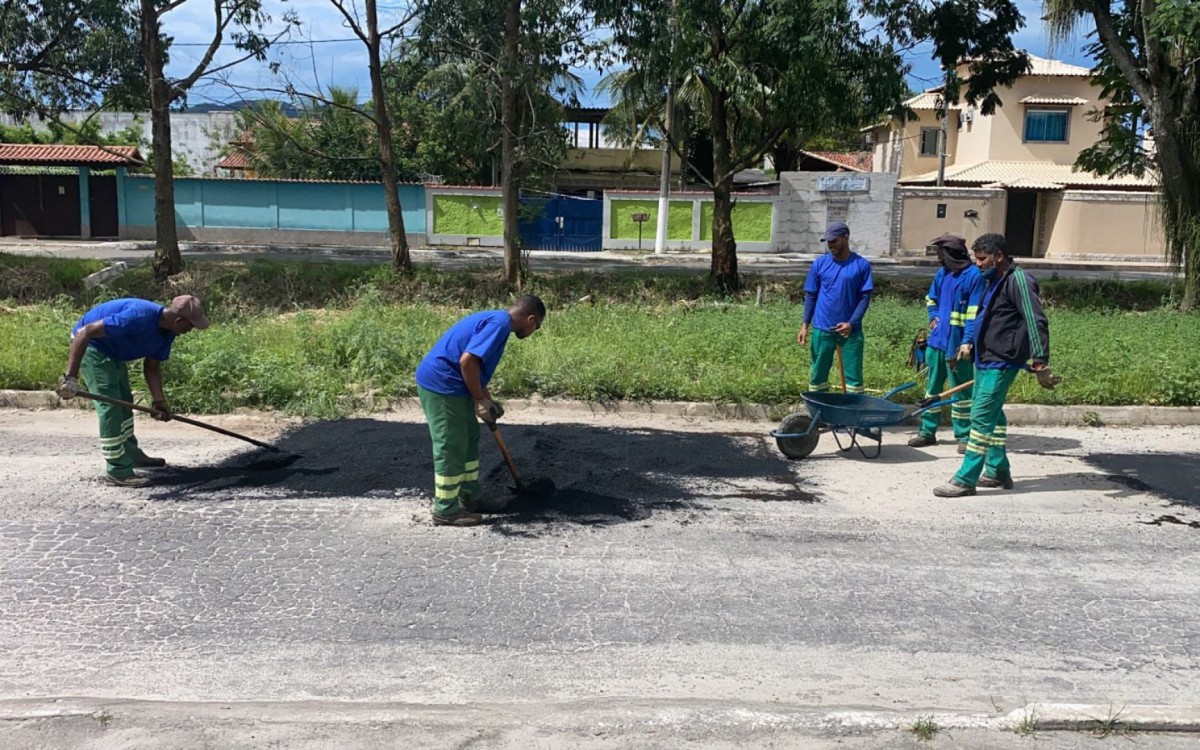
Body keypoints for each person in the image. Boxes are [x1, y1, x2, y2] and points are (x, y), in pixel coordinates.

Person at [933, 233, 1060, 497]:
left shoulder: (1019, 280)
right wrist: (968, 343)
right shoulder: (992, 279)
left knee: (980, 416)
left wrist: (1040, 362)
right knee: (994, 415)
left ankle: (966, 478)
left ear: (998, 256)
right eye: (976, 259)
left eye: (982, 259)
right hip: (985, 357)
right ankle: (998, 471)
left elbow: (1036, 320)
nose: (977, 264)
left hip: (1003, 360)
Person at [415, 295, 546, 526]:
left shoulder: (498, 322)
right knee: (452, 444)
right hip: (443, 385)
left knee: (469, 438)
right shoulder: (499, 325)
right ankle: (445, 510)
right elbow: (467, 362)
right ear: (530, 319)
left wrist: (487, 399)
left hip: (456, 385)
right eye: (537, 326)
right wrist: (478, 399)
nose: (535, 331)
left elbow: (477, 367)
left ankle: (471, 499)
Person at [55, 296, 211, 487]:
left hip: (114, 352)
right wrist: (70, 377)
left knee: (124, 401)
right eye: (191, 326)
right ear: (179, 321)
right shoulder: (137, 316)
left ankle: (130, 454)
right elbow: (85, 332)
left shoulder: (168, 333)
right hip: (93, 347)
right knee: (111, 406)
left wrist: (159, 402)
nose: (190, 331)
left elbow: (152, 368)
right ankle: (118, 469)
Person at [908, 233, 985, 453]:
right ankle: (927, 432)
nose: (939, 259)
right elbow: (931, 299)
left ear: (952, 253)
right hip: (937, 343)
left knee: (960, 393)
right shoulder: (942, 274)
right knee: (932, 390)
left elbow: (973, 313)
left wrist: (968, 341)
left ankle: (964, 435)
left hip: (958, 346)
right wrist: (933, 316)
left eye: (941, 254)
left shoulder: (973, 277)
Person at [797, 221, 874, 394]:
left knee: (854, 379)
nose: (831, 245)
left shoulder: (861, 265)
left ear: (846, 238)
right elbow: (811, 295)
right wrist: (804, 326)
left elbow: (864, 298)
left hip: (850, 332)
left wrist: (851, 323)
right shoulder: (820, 264)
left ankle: (853, 415)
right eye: (828, 241)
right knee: (817, 377)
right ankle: (819, 413)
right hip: (822, 330)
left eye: (834, 240)